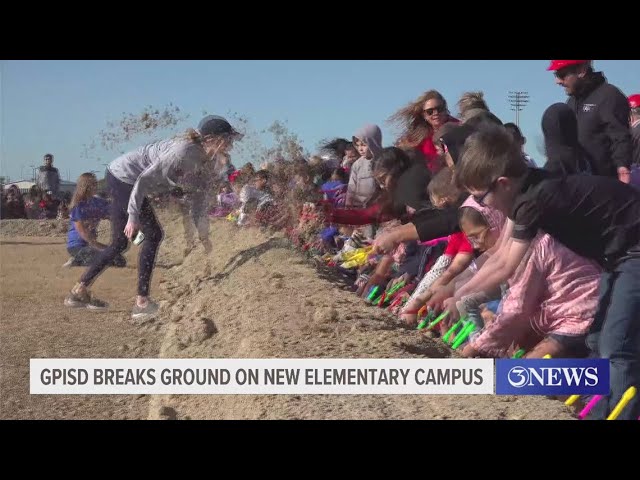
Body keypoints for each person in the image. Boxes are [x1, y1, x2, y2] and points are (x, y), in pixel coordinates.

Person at [448, 124, 640, 420]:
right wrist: (457, 291)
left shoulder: (535, 199)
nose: (482, 205)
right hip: (617, 254)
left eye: (481, 197)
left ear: (502, 184)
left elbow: (506, 266)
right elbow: (499, 254)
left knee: (617, 345)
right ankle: (599, 409)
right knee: (597, 339)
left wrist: (457, 293)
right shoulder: (525, 193)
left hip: (634, 250)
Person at [64, 115, 242, 319]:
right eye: (227, 139)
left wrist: (203, 234)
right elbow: (143, 180)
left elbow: (199, 199)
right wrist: (133, 216)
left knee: (119, 244)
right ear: (211, 139)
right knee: (153, 235)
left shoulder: (206, 159)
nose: (231, 144)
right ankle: (142, 302)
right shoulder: (182, 152)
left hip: (122, 177)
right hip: (125, 178)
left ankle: (78, 291)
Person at [547, 60, 632, 182]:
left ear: (581, 70)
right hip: (578, 184)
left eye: (562, 75)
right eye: (556, 75)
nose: (558, 81)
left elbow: (620, 137)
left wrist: (623, 168)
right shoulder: (571, 103)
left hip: (605, 184)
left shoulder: (609, 96)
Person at [64, 172, 126, 268]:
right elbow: (82, 231)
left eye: (96, 183)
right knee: (103, 261)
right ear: (86, 187)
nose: (96, 186)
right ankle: (77, 260)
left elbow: (114, 214)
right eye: (93, 184)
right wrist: (97, 246)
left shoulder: (98, 203)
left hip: (92, 246)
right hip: (77, 246)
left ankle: (81, 259)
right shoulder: (78, 206)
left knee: (119, 260)